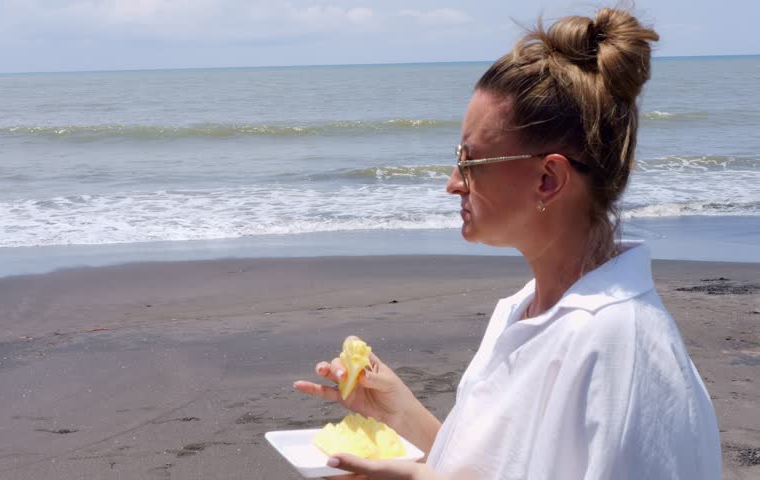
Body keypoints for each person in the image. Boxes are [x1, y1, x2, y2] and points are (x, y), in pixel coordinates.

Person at [293, 6, 722, 480]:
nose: (453, 182)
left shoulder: (618, 346)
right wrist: (399, 412)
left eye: (471, 161)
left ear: (548, 178)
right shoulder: (524, 311)